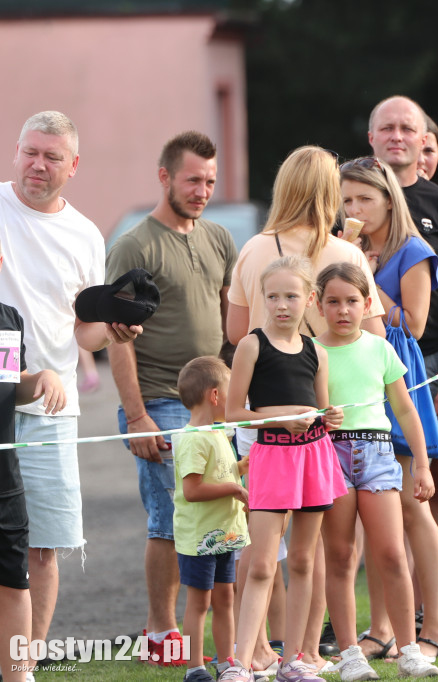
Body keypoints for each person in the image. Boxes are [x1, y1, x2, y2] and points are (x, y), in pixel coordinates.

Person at [0, 111, 140, 671]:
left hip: (53, 409)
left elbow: (82, 325)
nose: (38, 164)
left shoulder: (85, 234)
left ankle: (23, 665)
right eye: (29, 152)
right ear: (16, 151)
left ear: (73, 166)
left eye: (52, 156)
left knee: (44, 546)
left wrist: (113, 328)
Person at [106, 131, 237, 661]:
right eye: (192, 180)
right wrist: (137, 416)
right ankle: (160, 633)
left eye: (209, 180)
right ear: (164, 177)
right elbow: (115, 338)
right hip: (160, 402)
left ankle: (219, 635)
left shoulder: (220, 238)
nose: (203, 190)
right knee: (171, 516)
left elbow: (233, 328)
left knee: (221, 514)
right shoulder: (133, 246)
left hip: (218, 403)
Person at [337, 155, 438, 662]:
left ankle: (437, 628)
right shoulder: (343, 246)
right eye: (346, 199)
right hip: (355, 381)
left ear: (388, 198)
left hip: (396, 372)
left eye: (363, 198)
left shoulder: (412, 250)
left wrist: (360, 271)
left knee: (413, 507)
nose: (354, 207)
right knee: (375, 515)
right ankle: (381, 627)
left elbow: (418, 322)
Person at [219, 256, 345, 682]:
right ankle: (240, 663)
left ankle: (294, 660)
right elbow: (235, 412)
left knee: (305, 562)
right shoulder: (251, 346)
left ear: (309, 299)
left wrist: (331, 417)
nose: (282, 305)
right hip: (271, 457)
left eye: (291, 296)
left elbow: (321, 407)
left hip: (313, 457)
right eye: (272, 296)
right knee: (260, 564)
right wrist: (281, 419)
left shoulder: (317, 352)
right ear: (262, 299)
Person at [314, 262, 438, 679]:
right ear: (318, 305)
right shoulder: (311, 352)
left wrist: (421, 465)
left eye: (352, 301)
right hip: (330, 455)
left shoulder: (380, 347)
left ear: (368, 303)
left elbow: (406, 409)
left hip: (378, 454)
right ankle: (350, 654)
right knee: (340, 555)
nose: (343, 310)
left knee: (389, 552)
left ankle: (409, 651)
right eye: (333, 301)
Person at [367, 96, 438, 535]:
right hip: (359, 366)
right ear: (370, 138)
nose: (396, 136)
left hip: (426, 365)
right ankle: (368, 604)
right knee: (362, 496)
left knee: (427, 492)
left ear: (423, 139)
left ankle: (421, 605)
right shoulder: (345, 199)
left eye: (406, 129)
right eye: (387, 128)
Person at [226, 146, 385, 344]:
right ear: (331, 194)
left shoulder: (252, 248)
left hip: (266, 370)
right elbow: (375, 337)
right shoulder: (349, 255)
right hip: (330, 373)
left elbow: (236, 333)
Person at [0, 238, 66, 682]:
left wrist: (40, 378)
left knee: (13, 580)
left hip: (4, 482)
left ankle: (18, 674)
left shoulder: (7, 321)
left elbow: (10, 385)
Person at [172, 357, 249, 682]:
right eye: (232, 393)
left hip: (225, 535)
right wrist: (234, 488)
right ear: (215, 396)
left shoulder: (218, 433)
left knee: (224, 599)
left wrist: (245, 466)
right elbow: (192, 490)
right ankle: (195, 668)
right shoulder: (194, 439)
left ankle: (226, 661)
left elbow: (223, 471)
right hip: (200, 538)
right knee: (200, 603)